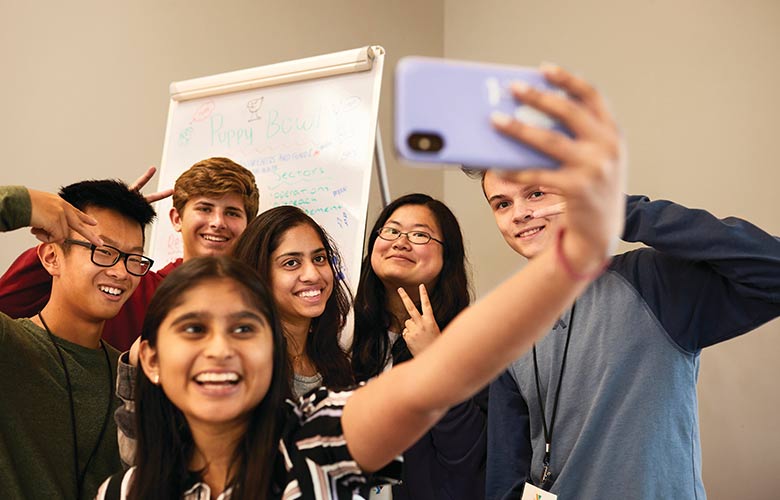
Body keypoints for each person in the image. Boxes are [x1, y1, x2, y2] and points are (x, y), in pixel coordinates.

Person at [94, 63, 627, 499]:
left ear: (272, 349)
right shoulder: (124, 491)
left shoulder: (319, 442)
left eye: (243, 330)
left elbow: (440, 378)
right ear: (150, 360)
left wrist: (575, 251)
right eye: (192, 330)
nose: (220, 350)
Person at [476, 78, 780, 498]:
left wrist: (622, 210)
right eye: (502, 204)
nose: (521, 214)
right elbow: (505, 473)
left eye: (536, 192)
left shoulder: (653, 282)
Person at [0, 157, 259, 350]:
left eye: (232, 213)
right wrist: (97, 224)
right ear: (176, 218)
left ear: (249, 225)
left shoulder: (260, 298)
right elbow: (9, 303)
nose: (217, 222)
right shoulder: (130, 284)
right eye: (205, 208)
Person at [0, 180, 155, 499]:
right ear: (51, 258)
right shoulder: (9, 343)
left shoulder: (129, 376)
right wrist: (25, 204)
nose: (121, 272)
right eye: (105, 251)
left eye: (134, 258)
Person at [351, 193, 486, 499]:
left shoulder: (474, 340)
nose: (401, 242)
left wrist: (436, 362)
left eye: (420, 234)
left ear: (447, 256)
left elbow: (468, 458)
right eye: (392, 230)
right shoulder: (343, 331)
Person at [232, 205, 354, 398]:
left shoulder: (333, 359)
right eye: (291, 263)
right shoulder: (243, 365)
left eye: (319, 258)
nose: (312, 275)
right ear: (259, 274)